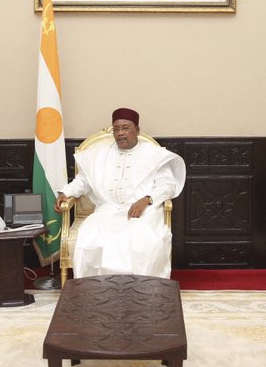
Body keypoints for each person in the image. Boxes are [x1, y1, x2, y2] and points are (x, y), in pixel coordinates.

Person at [54, 108, 186, 278]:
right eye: (116, 129)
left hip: (142, 212)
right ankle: (101, 287)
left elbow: (167, 185)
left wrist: (147, 199)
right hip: (108, 210)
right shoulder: (99, 154)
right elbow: (83, 181)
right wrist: (65, 192)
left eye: (125, 128)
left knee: (136, 239)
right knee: (92, 235)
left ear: (137, 130)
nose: (120, 133)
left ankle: (136, 287)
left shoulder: (154, 154)